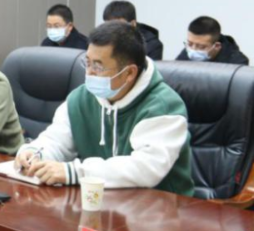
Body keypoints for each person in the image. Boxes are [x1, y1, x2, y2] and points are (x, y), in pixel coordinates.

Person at [15, 22, 194, 195]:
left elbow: (146, 168)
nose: (89, 73)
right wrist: (36, 152)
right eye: (87, 63)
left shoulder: (164, 105)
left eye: (98, 66)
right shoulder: (80, 98)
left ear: (129, 73)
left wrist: (76, 172)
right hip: (101, 201)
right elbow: (57, 140)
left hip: (161, 207)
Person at [176, 16, 249, 65]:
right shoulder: (187, 52)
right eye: (190, 44)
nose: (193, 50)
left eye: (201, 47)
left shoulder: (237, 63)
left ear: (217, 46)